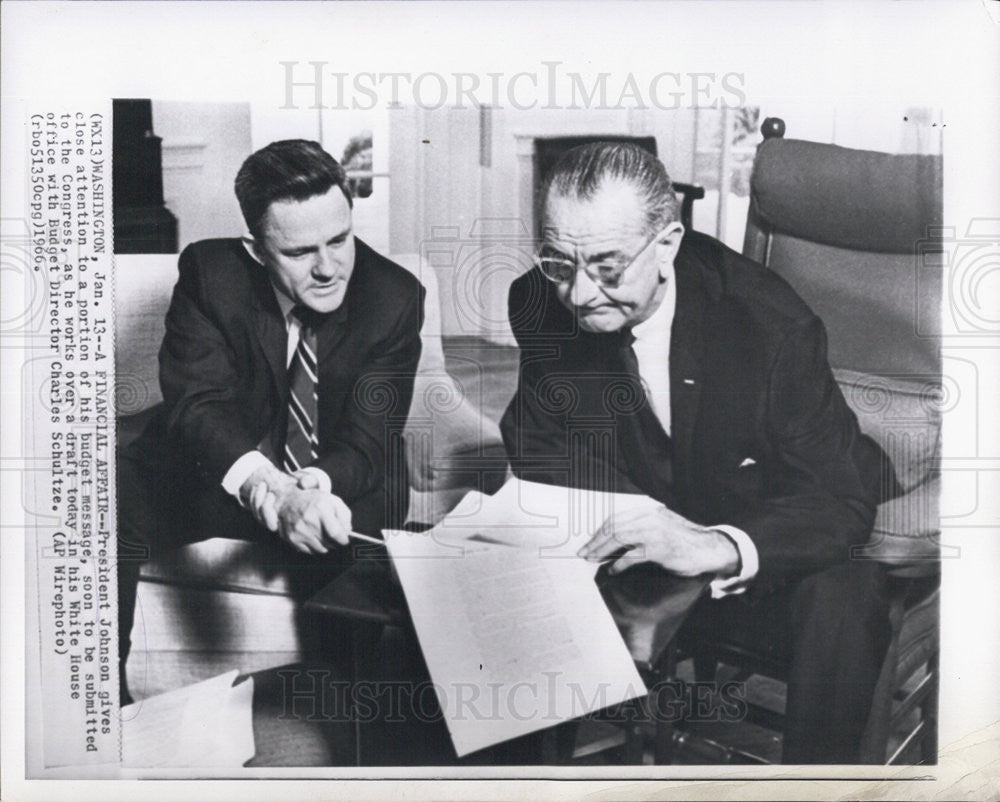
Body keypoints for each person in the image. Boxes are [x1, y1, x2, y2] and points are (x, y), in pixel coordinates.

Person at [500, 141, 893, 764]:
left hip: (762, 519)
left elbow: (840, 499)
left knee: (847, 594)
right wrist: (638, 520)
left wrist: (713, 545)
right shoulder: (539, 300)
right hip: (648, 519)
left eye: (605, 265)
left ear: (667, 244)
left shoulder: (770, 327)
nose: (577, 294)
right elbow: (535, 439)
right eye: (559, 263)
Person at [117, 139, 424, 701]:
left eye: (340, 239)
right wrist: (269, 489)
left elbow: (368, 437)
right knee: (110, 486)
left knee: (379, 522)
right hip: (225, 473)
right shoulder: (212, 274)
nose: (329, 268)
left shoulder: (395, 297)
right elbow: (197, 405)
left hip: (335, 478)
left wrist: (312, 490)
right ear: (257, 250)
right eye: (301, 252)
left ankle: (353, 717)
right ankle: (97, 706)